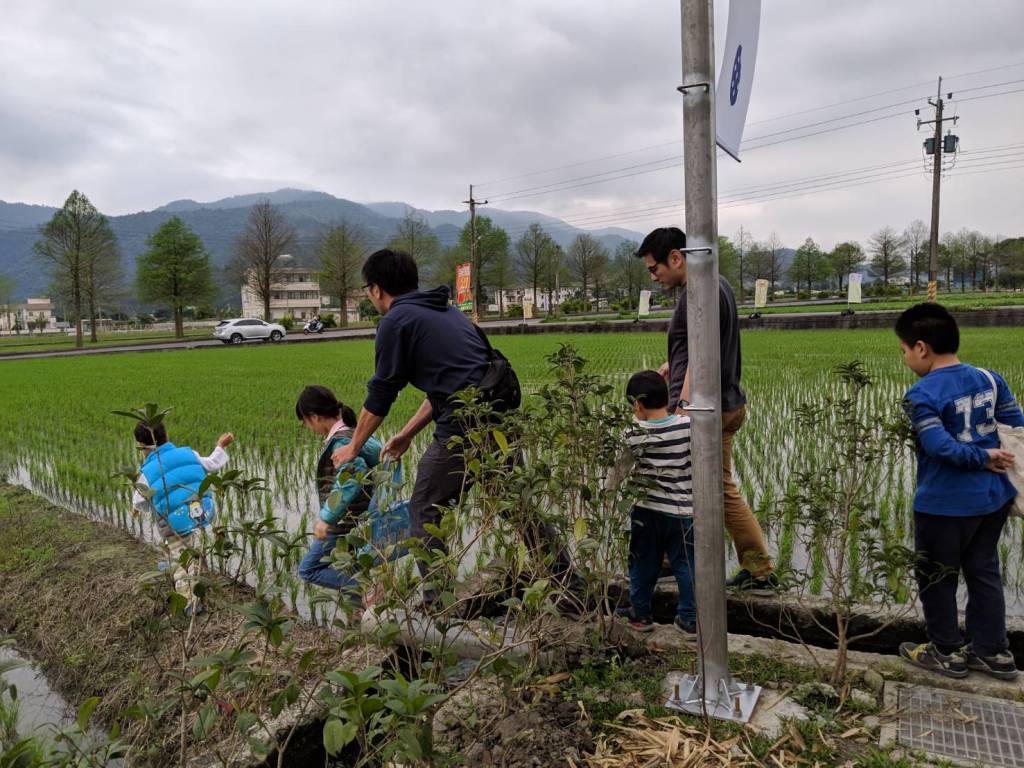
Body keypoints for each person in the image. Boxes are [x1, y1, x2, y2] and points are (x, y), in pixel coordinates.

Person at [331, 248, 576, 607]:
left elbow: (382, 391)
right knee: (516, 505)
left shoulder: (396, 322)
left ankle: (437, 604)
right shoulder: (447, 313)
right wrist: (408, 433)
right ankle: (570, 588)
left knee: (425, 506)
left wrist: (352, 447)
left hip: (462, 427)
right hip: (496, 421)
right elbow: (448, 386)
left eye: (367, 289)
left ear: (376, 289)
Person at [635, 226, 777, 591]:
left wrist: (682, 406)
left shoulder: (699, 292)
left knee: (710, 488)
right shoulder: (716, 284)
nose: (655, 276)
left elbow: (702, 354)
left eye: (655, 268)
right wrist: (671, 367)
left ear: (677, 258)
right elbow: (696, 346)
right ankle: (673, 558)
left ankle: (760, 569)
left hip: (707, 408)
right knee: (689, 483)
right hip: (721, 401)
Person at [895, 303, 1022, 680]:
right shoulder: (990, 378)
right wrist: (989, 455)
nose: (905, 359)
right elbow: (1015, 425)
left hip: (944, 504)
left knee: (936, 576)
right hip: (992, 499)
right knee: (984, 572)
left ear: (921, 347)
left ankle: (946, 651)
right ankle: (993, 652)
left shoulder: (921, 394)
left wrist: (980, 457)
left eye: (903, 351)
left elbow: (938, 446)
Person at [611, 371, 696, 634]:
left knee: (643, 563)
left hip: (646, 511)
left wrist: (607, 491)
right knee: (685, 565)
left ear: (637, 405)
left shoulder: (633, 432)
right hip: (683, 512)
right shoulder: (687, 427)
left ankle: (640, 615)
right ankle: (689, 619)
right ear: (668, 397)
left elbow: (619, 470)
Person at [132, 421, 233, 616]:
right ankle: (174, 563)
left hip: (175, 524)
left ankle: (190, 603)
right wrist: (220, 446)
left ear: (141, 447)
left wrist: (138, 507)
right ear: (166, 436)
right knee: (192, 549)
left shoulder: (147, 472)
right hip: (202, 513)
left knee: (183, 566)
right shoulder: (189, 453)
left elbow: (140, 501)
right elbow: (212, 464)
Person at [295, 385, 382, 605]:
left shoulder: (342, 441)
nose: (307, 427)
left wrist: (326, 518)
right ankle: (361, 619)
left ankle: (365, 588)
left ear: (313, 417)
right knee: (349, 563)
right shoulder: (354, 433)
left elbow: (351, 477)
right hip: (358, 518)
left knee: (309, 569)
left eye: (305, 422)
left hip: (343, 520)